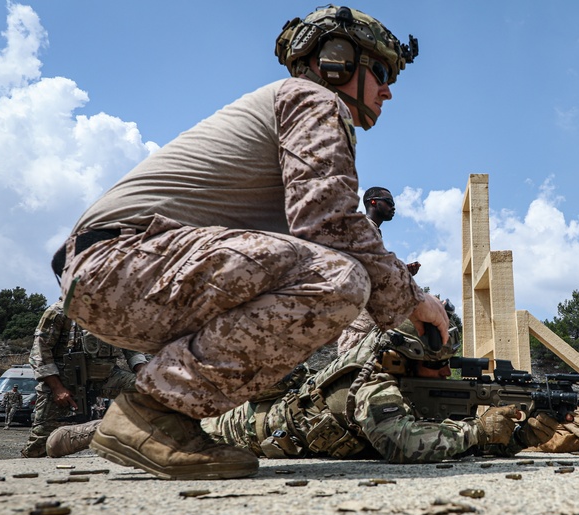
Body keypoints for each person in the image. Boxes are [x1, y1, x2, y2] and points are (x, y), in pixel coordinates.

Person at [52, 6, 447, 480]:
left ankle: (158, 416)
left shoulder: (290, 109)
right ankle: (150, 412)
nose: (387, 89)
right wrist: (413, 300)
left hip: (121, 274)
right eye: (380, 71)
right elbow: (330, 222)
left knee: (330, 280)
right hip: (121, 264)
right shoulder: (313, 100)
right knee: (342, 279)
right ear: (336, 62)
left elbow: (322, 231)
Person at [203, 307, 520, 463]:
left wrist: (517, 437)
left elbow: (437, 433)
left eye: (447, 365)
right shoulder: (373, 384)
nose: (444, 373)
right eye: (434, 365)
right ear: (402, 359)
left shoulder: (402, 384)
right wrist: (477, 430)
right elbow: (404, 443)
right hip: (233, 431)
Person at [21, 302, 148, 458]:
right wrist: (57, 388)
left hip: (106, 376)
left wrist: (141, 370)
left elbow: (132, 346)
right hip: (65, 381)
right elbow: (39, 352)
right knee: (39, 444)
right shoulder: (59, 311)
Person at [337, 186, 421, 354]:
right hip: (359, 322)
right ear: (373, 202)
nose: (393, 207)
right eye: (389, 202)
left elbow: (374, 267)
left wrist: (402, 271)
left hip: (367, 319)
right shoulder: (363, 227)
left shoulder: (371, 230)